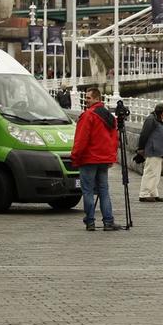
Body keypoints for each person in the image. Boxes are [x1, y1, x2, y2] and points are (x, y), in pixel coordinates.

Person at [71, 87, 122, 231]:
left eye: (88, 98)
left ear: (96, 99)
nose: (86, 100)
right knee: (104, 191)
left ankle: (90, 221)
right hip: (103, 160)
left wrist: (75, 157)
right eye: (86, 97)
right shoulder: (109, 117)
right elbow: (114, 139)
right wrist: (111, 158)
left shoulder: (88, 115)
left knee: (87, 191)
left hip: (88, 160)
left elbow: (81, 140)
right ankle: (108, 221)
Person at [137, 102, 163, 203]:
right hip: (152, 150)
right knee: (150, 172)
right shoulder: (151, 119)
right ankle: (144, 193)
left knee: (155, 173)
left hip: (157, 150)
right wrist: (141, 148)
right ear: (162, 112)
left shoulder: (157, 120)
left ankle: (153, 193)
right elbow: (144, 134)